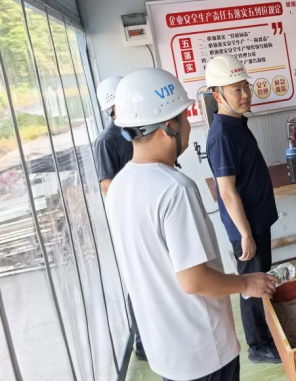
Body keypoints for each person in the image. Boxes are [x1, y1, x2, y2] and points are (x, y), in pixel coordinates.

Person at [106, 67, 278, 381]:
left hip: (165, 349)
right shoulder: (174, 189)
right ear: (168, 126)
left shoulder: (119, 186)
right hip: (202, 348)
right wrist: (245, 283)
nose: (189, 126)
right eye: (185, 118)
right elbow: (194, 280)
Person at [205, 55, 281, 364]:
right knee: (251, 284)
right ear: (218, 95)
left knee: (261, 279)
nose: (245, 94)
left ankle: (267, 334)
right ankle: (258, 346)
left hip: (257, 221)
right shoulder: (223, 134)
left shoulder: (236, 123)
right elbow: (226, 191)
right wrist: (245, 234)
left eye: (245, 87)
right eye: (236, 89)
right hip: (246, 227)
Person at [93, 75, 145, 361]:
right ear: (112, 106)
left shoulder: (136, 129)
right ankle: (142, 340)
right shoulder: (107, 140)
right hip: (131, 219)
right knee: (138, 278)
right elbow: (107, 185)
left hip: (148, 214)